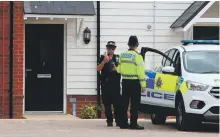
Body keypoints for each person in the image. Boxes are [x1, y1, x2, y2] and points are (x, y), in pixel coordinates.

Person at [114, 35, 146, 130]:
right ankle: (133, 123)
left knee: (124, 103)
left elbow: (119, 70)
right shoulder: (138, 56)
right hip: (135, 82)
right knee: (135, 104)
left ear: (129, 44)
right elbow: (141, 72)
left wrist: (115, 68)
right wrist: (143, 85)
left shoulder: (122, 55)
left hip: (125, 82)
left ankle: (123, 123)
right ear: (136, 45)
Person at [97, 41, 121, 127]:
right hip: (105, 84)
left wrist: (116, 68)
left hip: (115, 85)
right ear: (107, 48)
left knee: (117, 105)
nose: (110, 50)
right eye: (109, 48)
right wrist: (103, 62)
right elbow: (98, 69)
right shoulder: (102, 57)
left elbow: (121, 70)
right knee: (107, 105)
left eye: (112, 48)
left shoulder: (118, 58)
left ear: (114, 49)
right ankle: (109, 121)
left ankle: (118, 121)